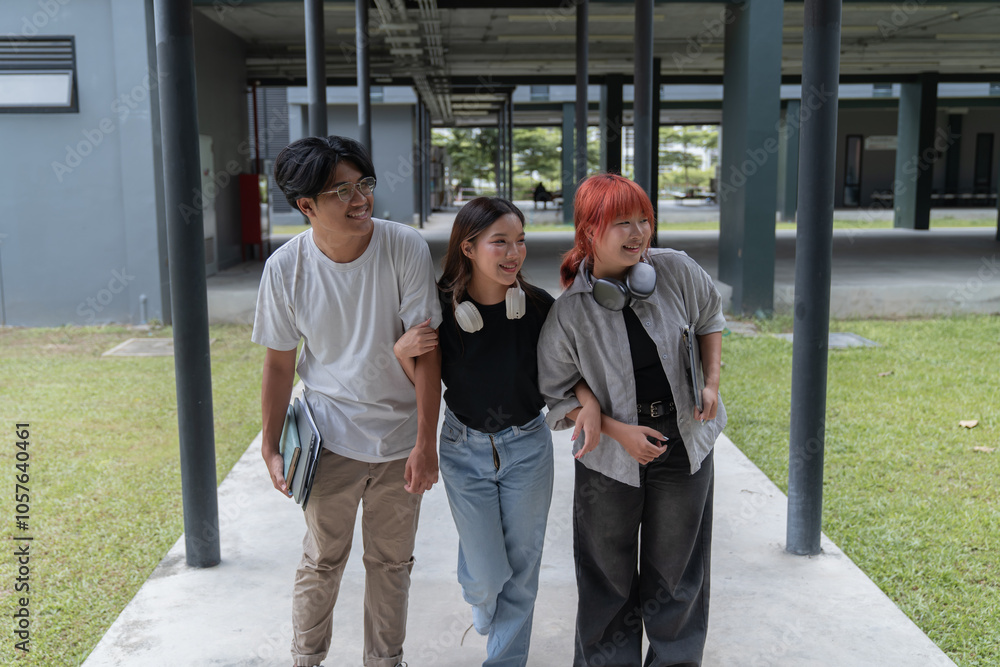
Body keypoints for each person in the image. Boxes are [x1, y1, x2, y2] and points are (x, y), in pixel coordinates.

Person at [251, 135, 442, 667]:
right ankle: (306, 660)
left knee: (391, 564)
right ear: (306, 205)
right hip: (328, 440)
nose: (360, 199)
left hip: (400, 442)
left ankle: (386, 661)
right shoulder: (285, 268)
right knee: (321, 560)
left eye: (364, 184)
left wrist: (425, 443)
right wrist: (270, 446)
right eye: (342, 191)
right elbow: (278, 364)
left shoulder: (404, 247)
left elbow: (427, 352)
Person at [537, 173, 726, 667]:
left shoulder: (676, 270)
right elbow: (555, 392)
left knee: (677, 574)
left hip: (683, 442)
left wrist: (710, 383)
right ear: (589, 230)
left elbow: (710, 318)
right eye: (622, 222)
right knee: (607, 578)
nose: (638, 232)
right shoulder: (570, 311)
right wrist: (617, 431)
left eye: (643, 219)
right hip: (609, 457)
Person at [394, 197, 576, 667]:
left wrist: (586, 407)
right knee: (488, 576)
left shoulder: (537, 307)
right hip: (463, 449)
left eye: (520, 241)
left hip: (527, 448)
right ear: (469, 247)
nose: (514, 253)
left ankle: (504, 659)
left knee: (522, 570)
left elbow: (566, 372)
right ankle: (480, 590)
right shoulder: (441, 308)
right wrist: (402, 353)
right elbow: (427, 382)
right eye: (501, 242)